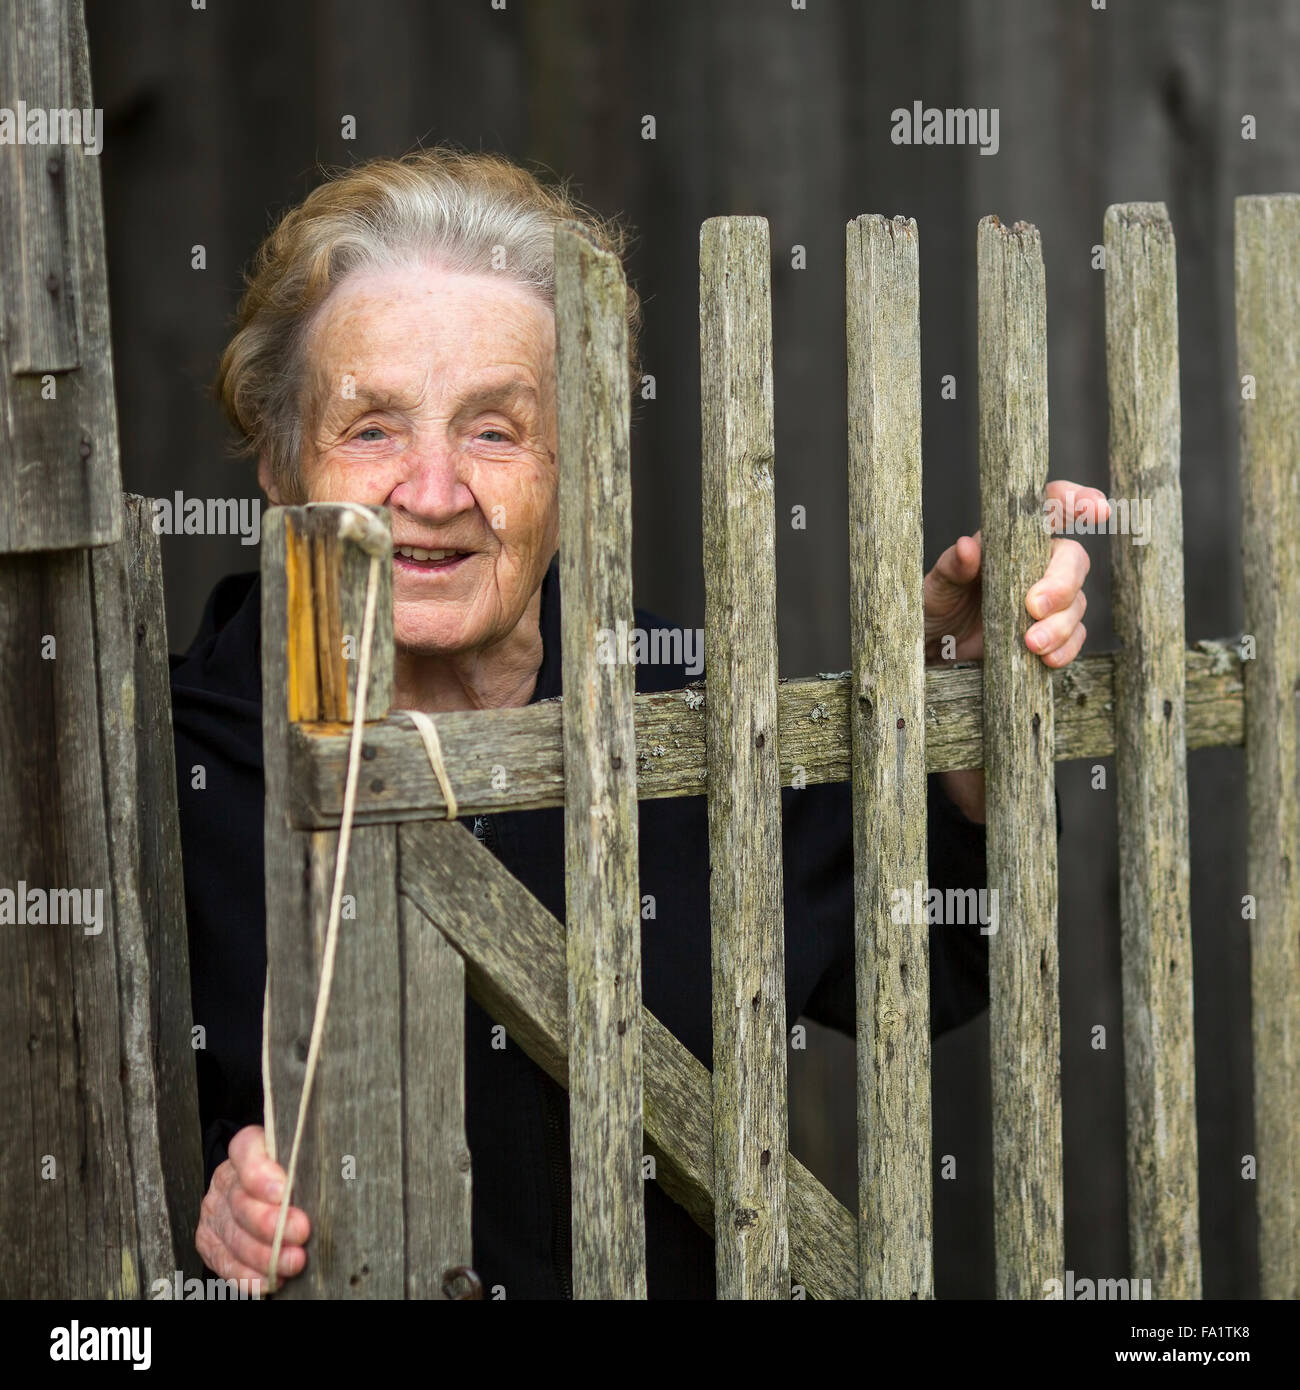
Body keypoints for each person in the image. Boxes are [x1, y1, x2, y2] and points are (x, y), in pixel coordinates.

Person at [173, 145, 1099, 1298]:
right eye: (370, 428)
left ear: (581, 463)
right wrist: (199, 1214)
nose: (429, 488)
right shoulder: (166, 773)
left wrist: (956, 688)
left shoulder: (688, 729)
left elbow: (934, 954)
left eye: (494, 431)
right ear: (276, 457)